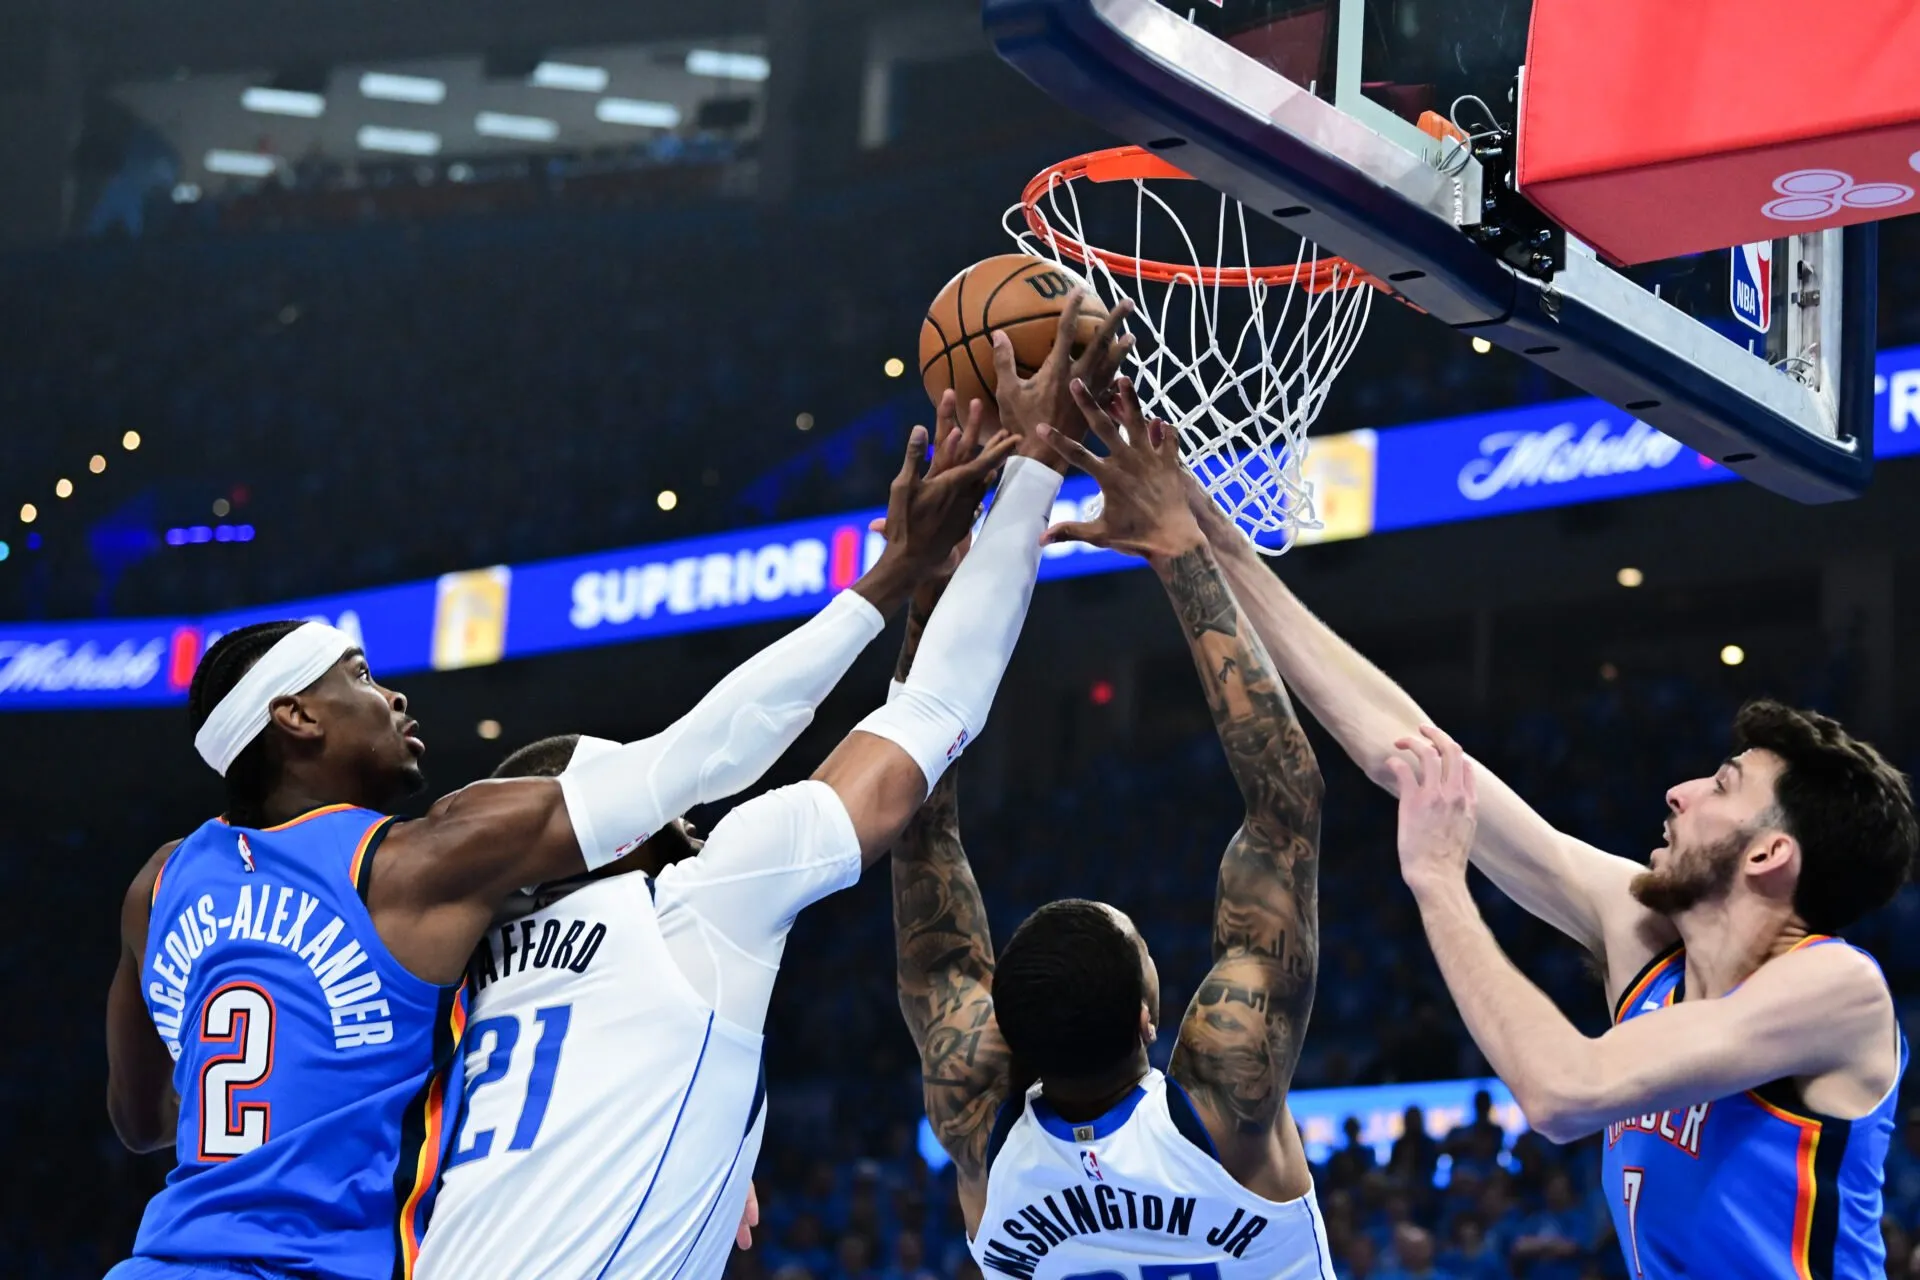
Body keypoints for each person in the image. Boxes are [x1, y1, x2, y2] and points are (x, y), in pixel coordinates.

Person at [103, 387, 1018, 1278]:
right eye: (360, 676)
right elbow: (704, 752)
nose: (393, 694)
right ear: (297, 717)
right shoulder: (420, 869)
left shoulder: (160, 882)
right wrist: (888, 576)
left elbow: (142, 1120)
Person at [413, 297, 1132, 1279]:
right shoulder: (697, 903)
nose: (677, 821)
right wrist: (1036, 467)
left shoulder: (467, 976)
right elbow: (931, 713)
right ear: (598, 833)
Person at [1187, 480, 1916, 1280]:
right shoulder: (1647, 937)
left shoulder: (1839, 990)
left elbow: (1563, 1093)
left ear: (1768, 856)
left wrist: (1439, 881)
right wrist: (1209, 539)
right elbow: (1417, 759)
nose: (1681, 791)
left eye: (1722, 783)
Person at [890, 376, 1335, 1277]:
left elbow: (920, 844)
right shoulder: (1225, 1094)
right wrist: (1179, 546)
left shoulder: (978, 1118)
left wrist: (931, 587)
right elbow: (1285, 803)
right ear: (1150, 1017)